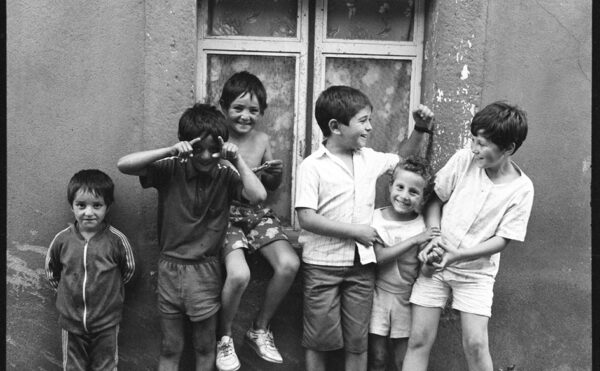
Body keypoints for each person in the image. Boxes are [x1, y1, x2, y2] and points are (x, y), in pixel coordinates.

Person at [117, 103, 266, 371]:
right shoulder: (170, 167)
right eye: (199, 148)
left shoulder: (225, 172)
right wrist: (170, 150)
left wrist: (237, 159)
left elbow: (258, 196)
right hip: (170, 268)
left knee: (204, 346)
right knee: (170, 346)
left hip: (205, 271)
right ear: (187, 145)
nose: (207, 156)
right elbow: (123, 165)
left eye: (214, 149)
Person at [294, 85, 434, 371]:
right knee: (318, 340)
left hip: (361, 268)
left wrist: (419, 128)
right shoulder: (312, 166)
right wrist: (355, 231)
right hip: (322, 267)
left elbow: (402, 160)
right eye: (363, 120)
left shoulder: (368, 158)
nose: (370, 127)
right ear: (335, 126)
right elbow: (306, 218)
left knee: (357, 342)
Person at [402, 101, 534, 371]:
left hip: (477, 273)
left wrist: (459, 255)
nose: (475, 149)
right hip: (435, 263)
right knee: (418, 339)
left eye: (483, 144)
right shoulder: (463, 160)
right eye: (473, 140)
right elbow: (434, 200)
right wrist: (435, 238)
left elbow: (503, 240)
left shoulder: (522, 189)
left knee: (475, 344)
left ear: (508, 148)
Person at [214, 71, 300, 371]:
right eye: (238, 108)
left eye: (253, 110)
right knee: (238, 275)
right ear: (224, 107)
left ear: (262, 112)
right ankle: (223, 338)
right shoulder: (216, 138)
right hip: (224, 217)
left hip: (256, 214)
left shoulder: (262, 139)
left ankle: (259, 329)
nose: (245, 116)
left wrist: (274, 173)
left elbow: (271, 186)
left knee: (289, 264)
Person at [45, 169, 136, 371]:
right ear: (72, 206)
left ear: (107, 206)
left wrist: (112, 292)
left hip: (106, 323)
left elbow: (128, 271)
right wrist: (64, 293)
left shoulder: (116, 240)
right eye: (81, 205)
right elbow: (52, 272)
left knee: (105, 366)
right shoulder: (62, 240)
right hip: (71, 324)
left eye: (97, 205)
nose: (88, 212)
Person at [368, 157, 442, 371]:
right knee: (378, 357)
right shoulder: (375, 219)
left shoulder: (422, 226)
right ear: (390, 186)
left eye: (413, 191)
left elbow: (424, 269)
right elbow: (379, 257)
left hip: (407, 299)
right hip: (378, 295)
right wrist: (414, 240)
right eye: (400, 187)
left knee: (403, 359)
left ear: (423, 197)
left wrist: (431, 260)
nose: (404, 196)